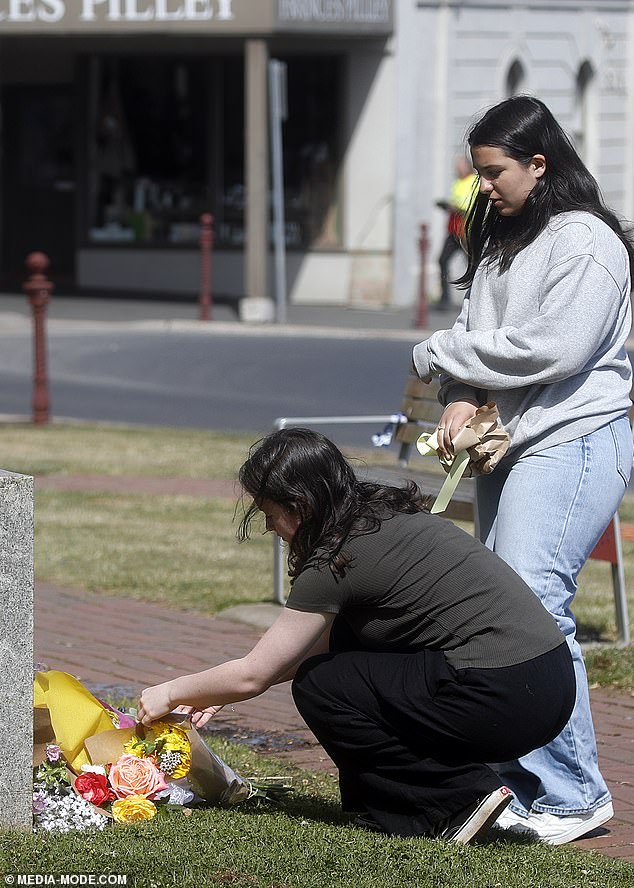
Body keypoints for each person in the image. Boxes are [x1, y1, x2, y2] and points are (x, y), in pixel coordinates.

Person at [137, 427, 575, 844]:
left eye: (271, 514)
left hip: (503, 692)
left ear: (300, 505)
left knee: (322, 685)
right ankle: (402, 802)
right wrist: (221, 691)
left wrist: (171, 692)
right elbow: (317, 647)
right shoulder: (376, 515)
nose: (270, 528)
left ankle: (454, 801)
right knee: (340, 659)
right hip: (548, 682)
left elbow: (254, 673)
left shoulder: (336, 558)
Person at [412, 95, 634, 845]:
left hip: (573, 441)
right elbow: (484, 333)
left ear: (540, 164)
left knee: (535, 607)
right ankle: (524, 779)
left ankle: (574, 793)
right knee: (505, 612)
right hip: (507, 443)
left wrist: (440, 357)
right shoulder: (504, 237)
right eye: (477, 174)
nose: (484, 188)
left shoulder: (587, 243)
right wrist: (462, 395)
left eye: (495, 172)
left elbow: (555, 349)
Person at [436, 157, 477, 309]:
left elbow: (469, 205)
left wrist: (454, 206)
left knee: (474, 265)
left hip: (467, 231)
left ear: (467, 166)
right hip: (454, 230)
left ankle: (476, 298)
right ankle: (444, 298)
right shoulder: (458, 182)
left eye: (459, 166)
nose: (457, 169)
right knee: (442, 260)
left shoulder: (474, 181)